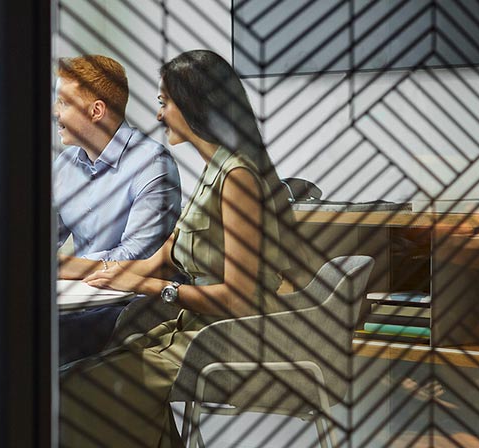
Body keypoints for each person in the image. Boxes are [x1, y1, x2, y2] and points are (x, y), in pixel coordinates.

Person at [56, 49, 311, 447]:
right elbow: (160, 260)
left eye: (165, 103)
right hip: (190, 329)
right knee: (73, 382)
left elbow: (240, 300)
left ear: (194, 104)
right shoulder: (214, 171)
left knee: (72, 391)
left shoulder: (238, 178)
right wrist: (117, 274)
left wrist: (157, 289)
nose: (159, 116)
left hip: (228, 336)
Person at [0, 55, 182, 365]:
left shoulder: (153, 164)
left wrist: (54, 267)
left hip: (131, 310)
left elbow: (136, 257)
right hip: (78, 303)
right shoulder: (66, 165)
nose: (55, 112)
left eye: (64, 103)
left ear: (96, 111)